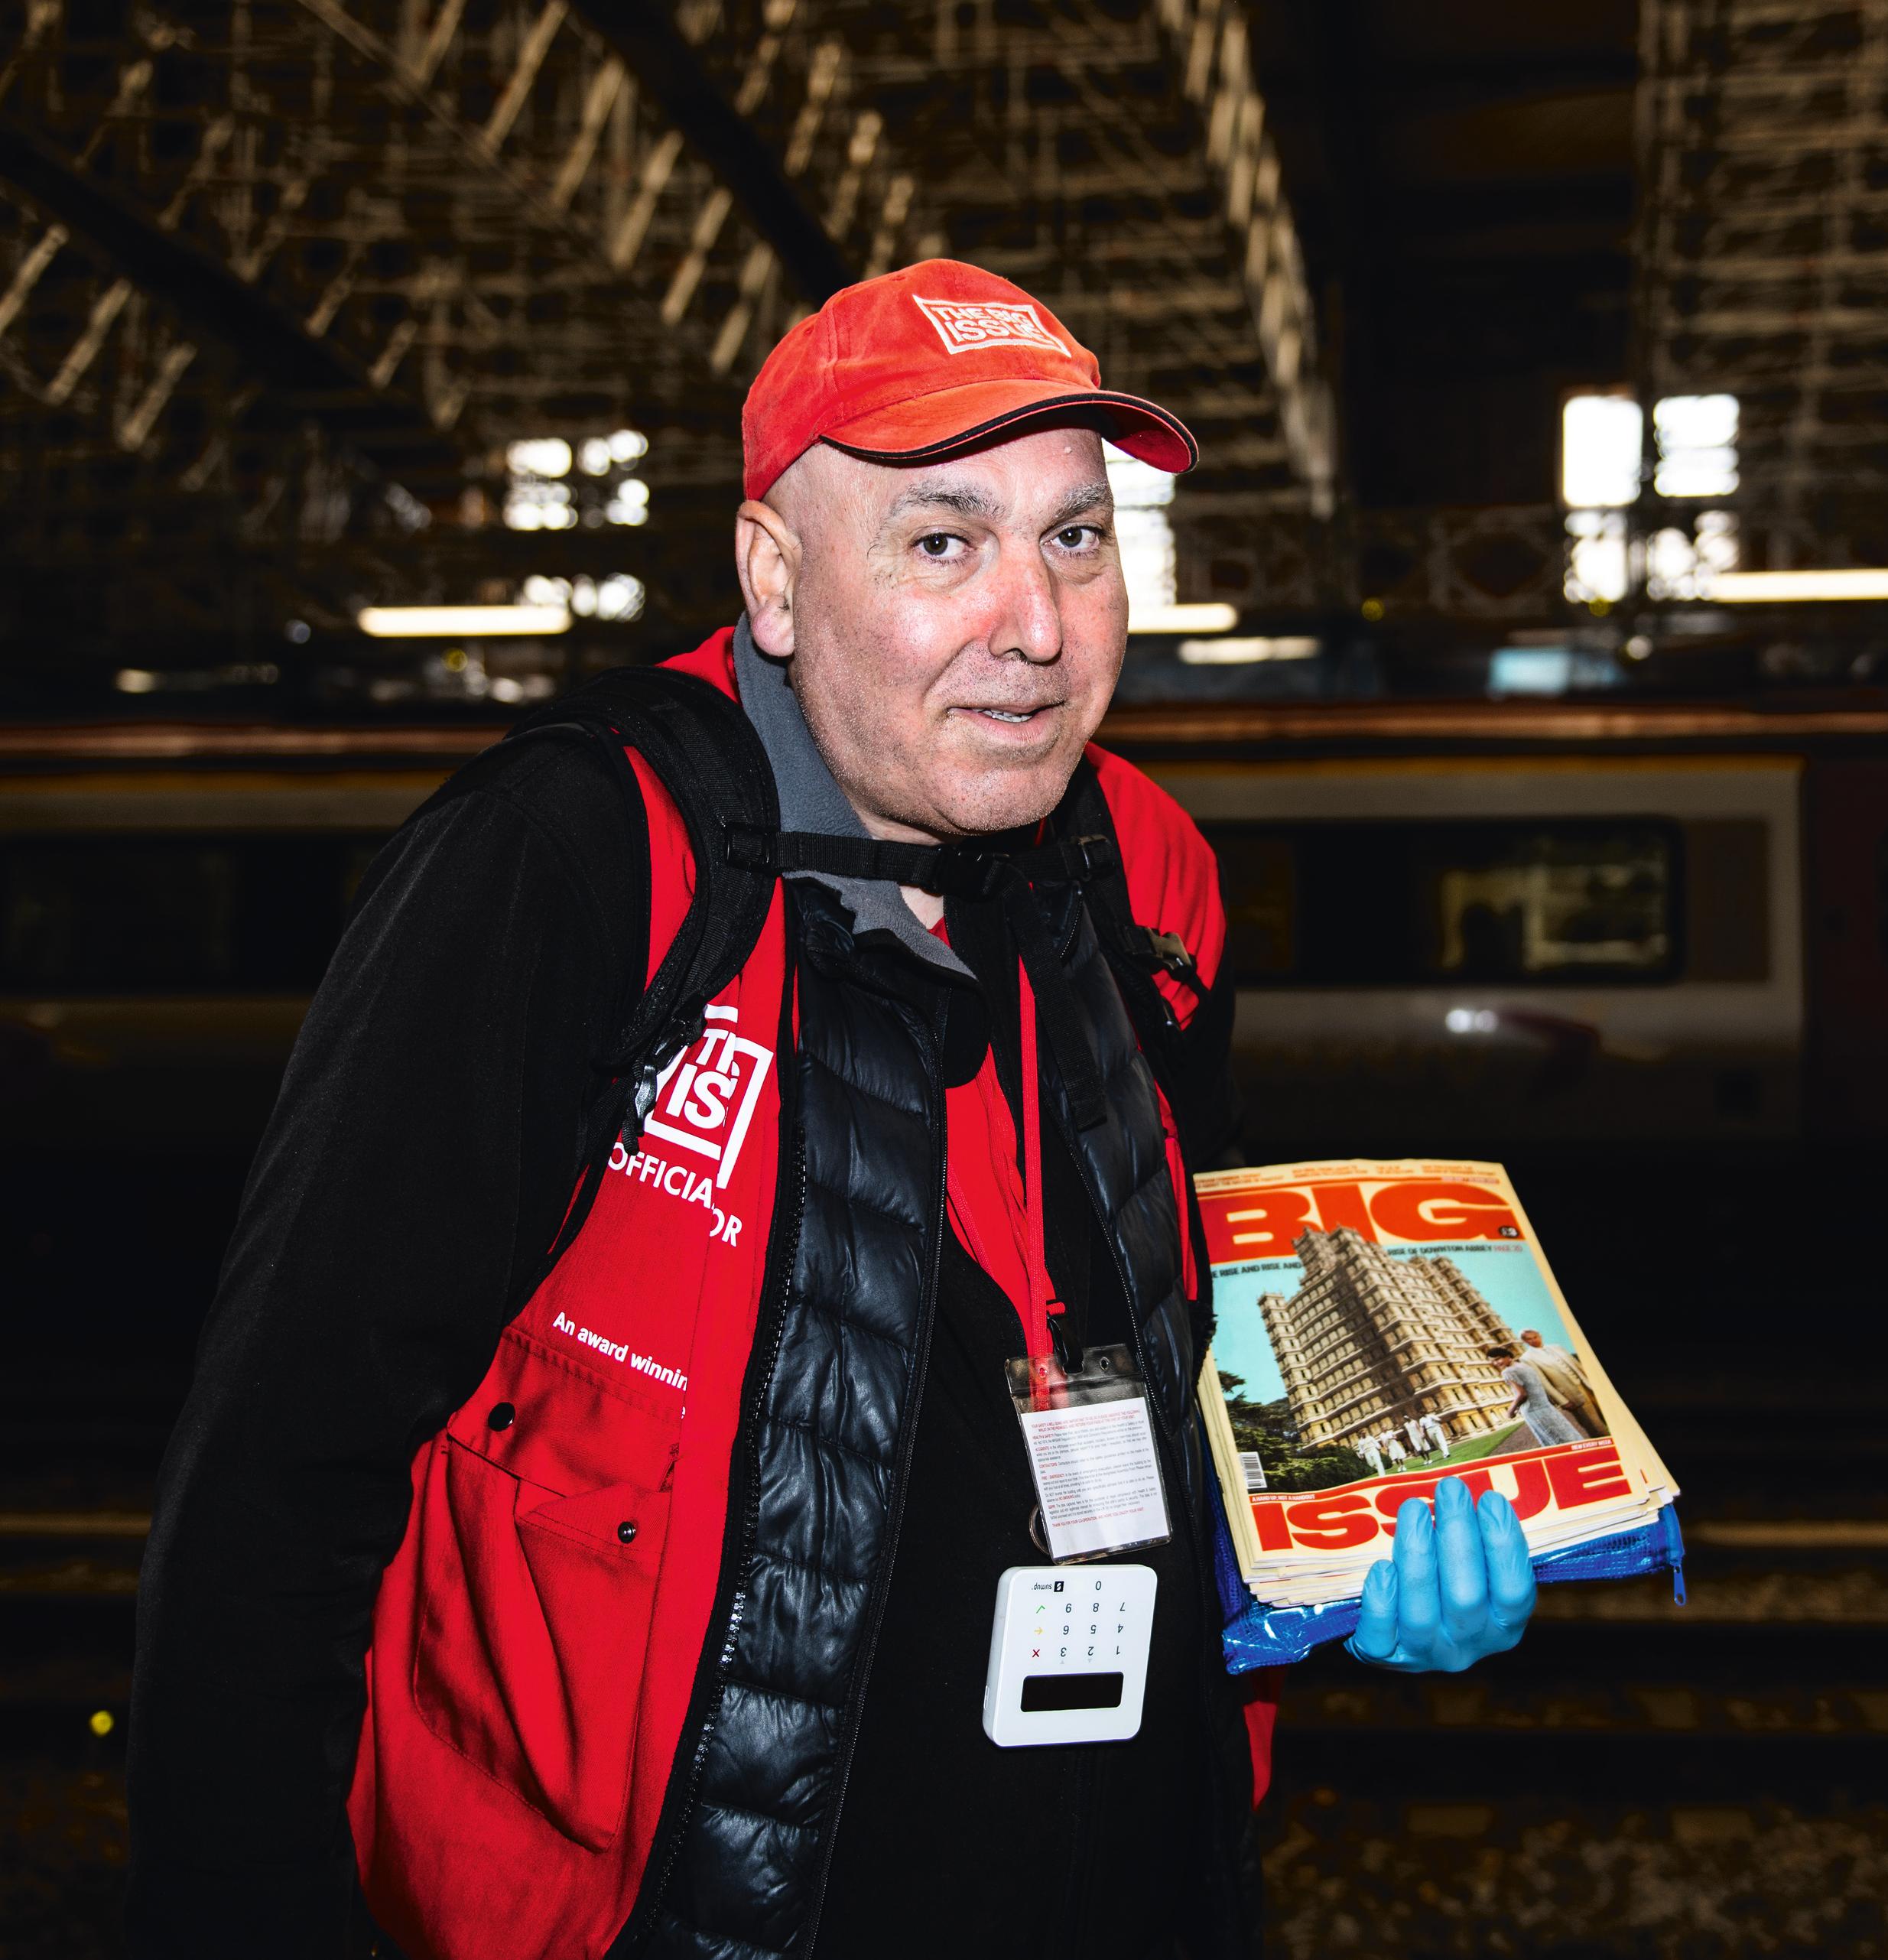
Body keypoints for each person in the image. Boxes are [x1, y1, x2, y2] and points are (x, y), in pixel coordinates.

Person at [125, 260, 1535, 1960]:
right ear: (776, 581)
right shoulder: (574, 867)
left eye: (1077, 538)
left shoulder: (1147, 874)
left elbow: (1201, 1361)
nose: (1035, 620)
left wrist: (1335, 1560)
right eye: (944, 541)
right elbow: (276, 1485)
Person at [1519, 1326, 1609, 1438]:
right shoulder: (1527, 1358)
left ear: (1540, 1336)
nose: (1534, 1340)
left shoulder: (1557, 1347)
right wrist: (1562, 1401)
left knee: (1609, 1416)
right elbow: (1544, 1383)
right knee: (1595, 1426)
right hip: (1571, 1394)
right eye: (1529, 1339)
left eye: (1535, 1337)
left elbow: (1578, 1365)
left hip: (1588, 1385)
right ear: (1524, 1341)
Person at [1490, 1344, 1587, 1447]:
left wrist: (1511, 1411)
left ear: (1507, 1356)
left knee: (1552, 1440)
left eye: (1498, 1359)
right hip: (1546, 1407)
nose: (1496, 1363)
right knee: (1566, 1433)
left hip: (1532, 1410)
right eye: (1493, 1361)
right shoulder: (1524, 1366)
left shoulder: (1508, 1372)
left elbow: (1522, 1394)